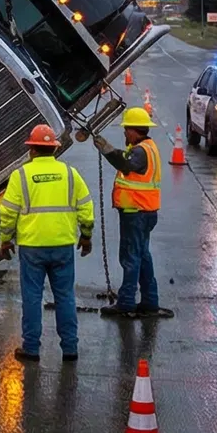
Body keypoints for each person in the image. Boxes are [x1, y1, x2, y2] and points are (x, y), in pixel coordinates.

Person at [0, 123, 95, 363]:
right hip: (62, 245)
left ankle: (31, 349)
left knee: (32, 297)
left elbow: (8, 213)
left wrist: (5, 240)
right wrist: (86, 236)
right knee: (65, 296)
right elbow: (86, 209)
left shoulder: (20, 176)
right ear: (54, 150)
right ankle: (70, 349)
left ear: (31, 150)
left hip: (32, 247)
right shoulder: (70, 174)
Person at [81, 105, 165, 318]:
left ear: (134, 130)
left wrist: (106, 148)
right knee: (142, 256)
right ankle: (149, 301)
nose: (124, 133)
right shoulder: (149, 147)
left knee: (130, 257)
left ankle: (126, 302)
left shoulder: (140, 151)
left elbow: (126, 165)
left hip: (135, 212)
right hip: (145, 211)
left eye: (126, 129)